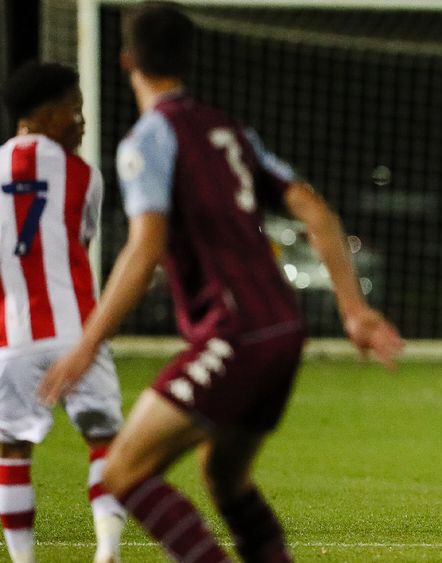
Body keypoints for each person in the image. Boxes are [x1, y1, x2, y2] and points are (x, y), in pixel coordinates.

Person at [38, 3, 404, 561]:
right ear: (189, 59)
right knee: (225, 480)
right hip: (283, 332)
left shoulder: (148, 142)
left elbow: (144, 248)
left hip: (233, 335)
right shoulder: (229, 130)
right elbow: (314, 209)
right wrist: (354, 310)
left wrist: (86, 344)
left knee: (122, 473)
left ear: (127, 61)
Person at [0, 62, 126, 563]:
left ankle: (24, 561)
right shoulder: (84, 176)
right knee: (106, 439)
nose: (82, 123)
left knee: (11, 452)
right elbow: (79, 243)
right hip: (78, 332)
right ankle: (108, 549)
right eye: (75, 113)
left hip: (13, 336)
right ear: (48, 117)